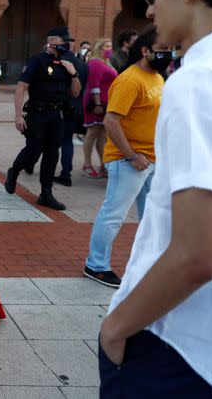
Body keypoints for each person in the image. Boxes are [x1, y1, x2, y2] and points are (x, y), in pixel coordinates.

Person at [99, 0, 212, 397]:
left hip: (175, 344)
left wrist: (116, 328)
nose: (149, 12)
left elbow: (198, 251)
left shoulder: (195, 81)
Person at [84, 27, 170, 288]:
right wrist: (132, 156)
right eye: (162, 50)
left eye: (169, 50)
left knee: (152, 216)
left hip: (152, 160)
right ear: (145, 51)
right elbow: (111, 120)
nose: (168, 55)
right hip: (129, 160)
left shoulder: (157, 78)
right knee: (113, 214)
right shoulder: (130, 79)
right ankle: (96, 265)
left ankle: (148, 264)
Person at [3, 27, 81, 211]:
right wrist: (18, 115)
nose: (68, 45)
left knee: (52, 153)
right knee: (33, 151)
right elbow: (21, 87)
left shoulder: (66, 64)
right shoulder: (36, 61)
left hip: (56, 115)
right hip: (38, 114)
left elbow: (76, 92)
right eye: (65, 43)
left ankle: (46, 193)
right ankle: (14, 171)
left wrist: (73, 73)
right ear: (53, 43)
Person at [54, 40, 89, 187]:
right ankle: (65, 173)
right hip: (76, 107)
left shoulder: (57, 62)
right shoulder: (83, 64)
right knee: (67, 141)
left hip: (59, 107)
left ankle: (42, 168)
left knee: (50, 141)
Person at [82, 38, 118, 178]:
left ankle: (104, 164)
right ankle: (87, 164)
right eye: (106, 46)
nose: (109, 49)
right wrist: (97, 104)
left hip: (106, 103)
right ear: (99, 48)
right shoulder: (95, 63)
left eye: (110, 46)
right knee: (92, 133)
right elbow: (94, 84)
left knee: (103, 135)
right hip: (96, 103)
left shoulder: (106, 63)